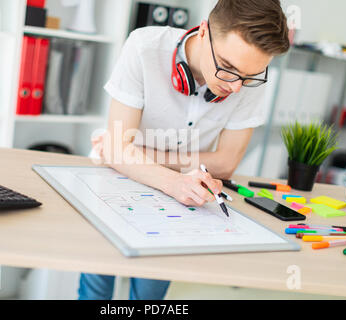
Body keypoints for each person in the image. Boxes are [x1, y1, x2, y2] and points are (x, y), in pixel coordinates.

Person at [79, 0, 290, 300]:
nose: (237, 88)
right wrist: (170, 177)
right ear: (203, 31)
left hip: (183, 199)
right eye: (228, 68)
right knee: (96, 293)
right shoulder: (144, 47)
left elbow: (226, 164)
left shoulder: (249, 78)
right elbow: (117, 151)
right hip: (120, 184)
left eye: (249, 76)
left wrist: (128, 151)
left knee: (150, 299)